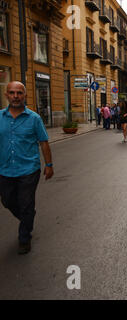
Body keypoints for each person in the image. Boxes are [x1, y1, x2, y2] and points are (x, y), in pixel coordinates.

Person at [0, 81, 54, 255]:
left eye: (19, 93)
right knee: (7, 201)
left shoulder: (34, 118)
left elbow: (44, 142)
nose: (16, 96)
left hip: (29, 169)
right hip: (5, 169)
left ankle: (24, 237)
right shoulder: (0, 117)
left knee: (26, 202)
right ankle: (27, 216)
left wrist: (49, 165)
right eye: (12, 93)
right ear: (6, 95)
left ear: (25, 95)